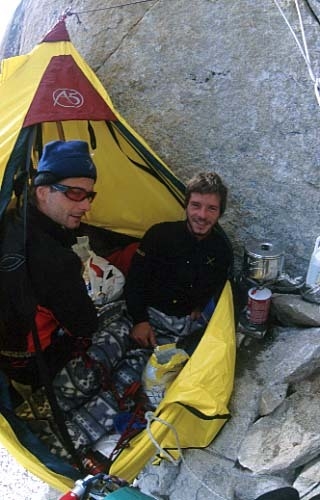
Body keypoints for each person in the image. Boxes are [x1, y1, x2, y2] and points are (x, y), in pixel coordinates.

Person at [0, 140, 139, 456]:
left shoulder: (9, 216)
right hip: (33, 367)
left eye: (89, 195)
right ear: (43, 191)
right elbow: (85, 324)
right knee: (123, 318)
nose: (86, 205)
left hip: (7, 357)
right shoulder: (57, 261)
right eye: (75, 193)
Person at [125, 171, 233, 350]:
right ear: (186, 206)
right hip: (143, 316)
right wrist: (140, 321)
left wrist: (199, 306)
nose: (202, 215)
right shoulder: (158, 235)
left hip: (181, 329)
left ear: (220, 213)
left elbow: (216, 290)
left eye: (211, 208)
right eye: (196, 205)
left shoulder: (221, 250)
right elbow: (134, 281)